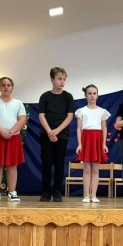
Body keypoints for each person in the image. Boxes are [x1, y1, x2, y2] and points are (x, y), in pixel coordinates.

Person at [38, 67, 74, 202]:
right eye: (59, 79)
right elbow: (41, 115)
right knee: (46, 163)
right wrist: (49, 131)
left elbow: (70, 116)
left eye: (64, 79)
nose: (62, 81)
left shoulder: (68, 96)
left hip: (62, 134)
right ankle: (46, 191)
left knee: (59, 163)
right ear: (52, 80)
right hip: (46, 134)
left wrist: (57, 131)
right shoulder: (45, 96)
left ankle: (57, 191)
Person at [75, 84, 110, 203]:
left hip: (97, 139)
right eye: (89, 93)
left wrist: (103, 144)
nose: (92, 96)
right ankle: (86, 195)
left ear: (97, 95)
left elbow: (104, 128)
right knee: (86, 169)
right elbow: (79, 128)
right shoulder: (81, 111)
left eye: (94, 93)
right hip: (86, 138)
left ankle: (94, 195)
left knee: (95, 169)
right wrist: (80, 144)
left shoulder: (102, 111)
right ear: (86, 95)